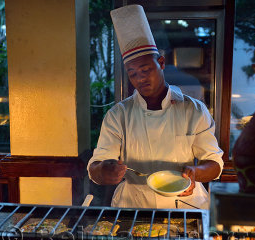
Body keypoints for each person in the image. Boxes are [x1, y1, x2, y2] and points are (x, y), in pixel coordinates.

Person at [87, 4, 224, 209]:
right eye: (133, 73)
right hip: (133, 206)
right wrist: (105, 171)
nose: (140, 78)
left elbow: (214, 164)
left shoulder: (193, 110)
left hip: (185, 203)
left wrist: (195, 173)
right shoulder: (119, 115)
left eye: (145, 69)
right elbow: (96, 167)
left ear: (161, 62)